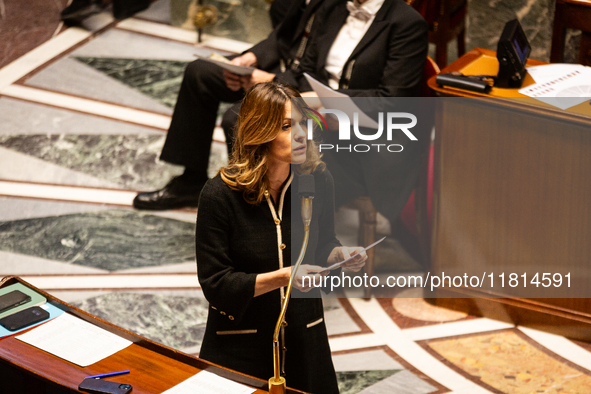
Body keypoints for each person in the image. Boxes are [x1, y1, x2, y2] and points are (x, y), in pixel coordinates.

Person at [195, 82, 367, 393]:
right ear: (259, 132)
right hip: (241, 345)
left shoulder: (317, 179)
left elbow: (325, 242)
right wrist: (285, 276)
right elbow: (216, 284)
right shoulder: (219, 195)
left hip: (305, 339)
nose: (301, 133)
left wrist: (341, 255)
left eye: (303, 122)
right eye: (287, 126)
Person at [133, 0, 325, 210]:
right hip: (281, 66)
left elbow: (322, 70)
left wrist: (273, 81)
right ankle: (191, 181)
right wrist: (251, 58)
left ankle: (255, 205)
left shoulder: (342, 8)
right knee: (199, 73)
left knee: (236, 118)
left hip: (304, 84)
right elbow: (281, 35)